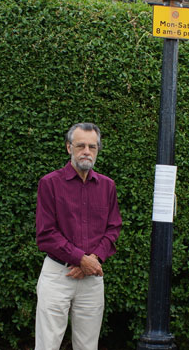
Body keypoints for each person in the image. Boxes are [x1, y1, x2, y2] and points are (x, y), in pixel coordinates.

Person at [35, 122, 122, 350]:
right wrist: (81, 259)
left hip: (92, 278)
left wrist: (91, 262)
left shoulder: (107, 186)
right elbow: (46, 234)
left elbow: (113, 228)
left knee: (88, 346)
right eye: (81, 145)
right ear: (68, 148)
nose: (86, 151)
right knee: (47, 344)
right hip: (57, 275)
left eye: (92, 147)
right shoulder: (49, 184)